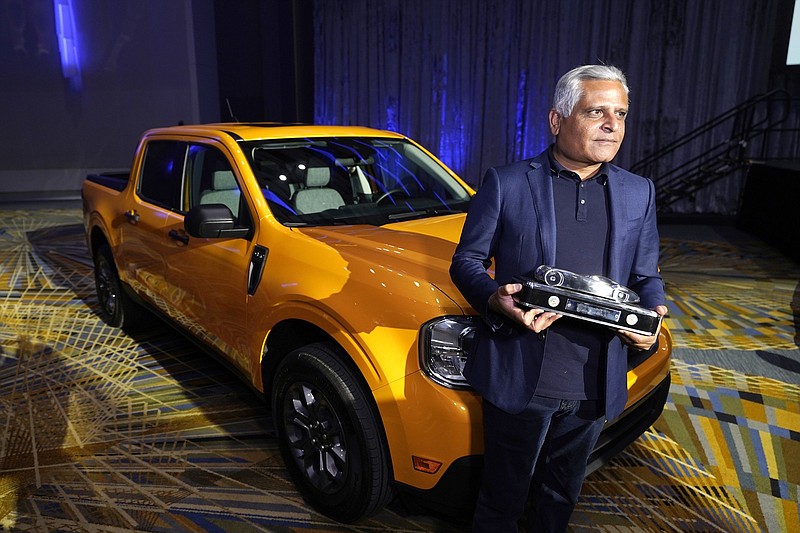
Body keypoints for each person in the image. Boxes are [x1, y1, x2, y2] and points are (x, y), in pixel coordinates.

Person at [449, 64, 668, 532]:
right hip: (523, 377)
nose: (613, 125)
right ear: (557, 120)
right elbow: (466, 263)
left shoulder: (638, 192)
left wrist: (654, 316)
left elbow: (647, 276)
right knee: (501, 502)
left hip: (596, 382)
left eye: (621, 114)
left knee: (560, 496)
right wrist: (493, 298)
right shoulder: (506, 183)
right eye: (596, 112)